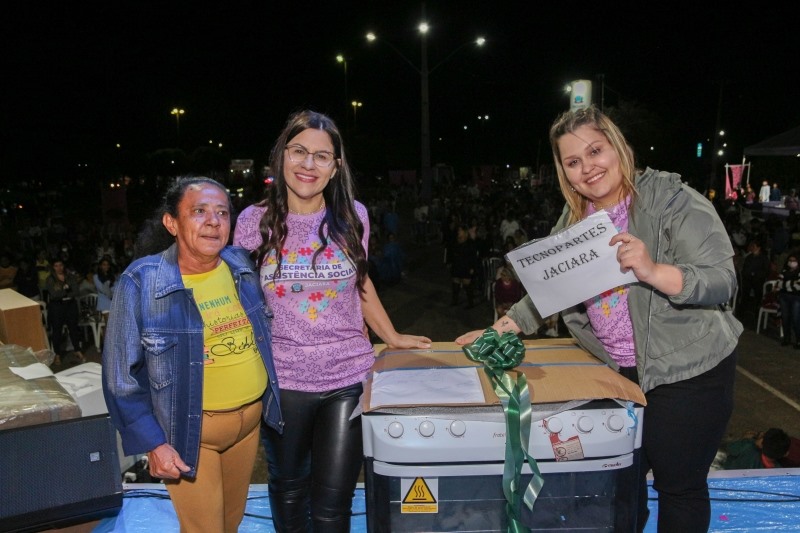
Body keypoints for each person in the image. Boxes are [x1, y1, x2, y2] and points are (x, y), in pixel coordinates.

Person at [456, 106, 742, 533]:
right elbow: (552, 287)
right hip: (617, 371)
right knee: (617, 484)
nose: (587, 167)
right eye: (573, 161)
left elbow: (721, 280)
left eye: (595, 151)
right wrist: (500, 328)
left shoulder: (672, 199)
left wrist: (653, 271)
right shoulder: (575, 218)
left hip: (688, 370)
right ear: (564, 172)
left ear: (618, 147)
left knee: (678, 488)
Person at [233, 110, 431, 532]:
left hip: (347, 377)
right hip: (283, 381)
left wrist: (392, 335)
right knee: (289, 492)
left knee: (333, 505)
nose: (309, 164)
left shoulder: (353, 215)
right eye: (299, 151)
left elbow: (361, 281)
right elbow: (240, 298)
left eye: (322, 156)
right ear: (282, 156)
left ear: (335, 166)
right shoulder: (253, 221)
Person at [101, 177, 284, 533]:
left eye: (222, 213)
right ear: (171, 223)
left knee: (230, 523)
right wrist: (153, 443)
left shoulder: (239, 264)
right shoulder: (141, 281)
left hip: (248, 428)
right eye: (199, 211)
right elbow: (119, 376)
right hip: (190, 433)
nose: (214, 221)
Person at [45, 258, 85, 366]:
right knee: (57, 330)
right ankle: (57, 354)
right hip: (57, 307)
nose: (59, 268)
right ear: (53, 267)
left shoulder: (70, 277)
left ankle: (77, 350)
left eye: (61, 265)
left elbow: (76, 291)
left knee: (73, 328)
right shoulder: (50, 279)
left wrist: (63, 291)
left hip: (70, 306)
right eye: (56, 266)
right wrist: (67, 290)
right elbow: (54, 294)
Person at [721, 428, 795, 469]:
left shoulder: (748, 446)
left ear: (761, 443)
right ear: (786, 454)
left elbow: (730, 447)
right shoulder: (778, 472)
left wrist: (745, 439)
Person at [777, 253, 800, 347]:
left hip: (796, 298)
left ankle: (798, 340)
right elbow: (779, 284)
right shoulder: (784, 271)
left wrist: (785, 285)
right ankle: (787, 338)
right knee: (785, 318)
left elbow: (798, 286)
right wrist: (792, 283)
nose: (791, 262)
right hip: (784, 297)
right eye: (790, 260)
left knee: (796, 319)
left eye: (794, 260)